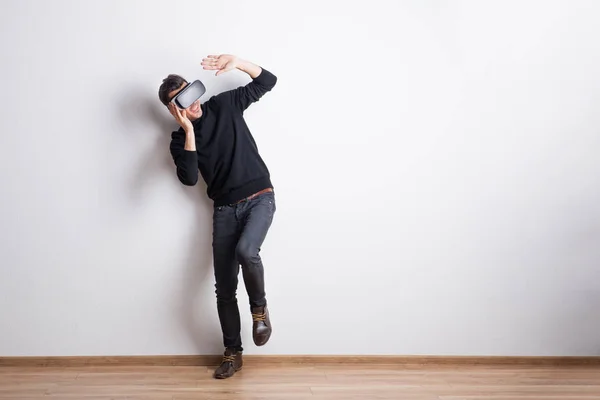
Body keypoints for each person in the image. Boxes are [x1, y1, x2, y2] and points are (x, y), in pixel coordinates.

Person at [158, 54, 277, 379]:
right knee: (224, 289)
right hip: (224, 209)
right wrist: (188, 130)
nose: (191, 102)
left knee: (246, 252)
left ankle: (259, 310)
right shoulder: (178, 140)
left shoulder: (224, 105)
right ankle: (232, 354)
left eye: (190, 92)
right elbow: (190, 178)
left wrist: (237, 62)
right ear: (174, 109)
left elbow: (268, 81)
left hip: (259, 198)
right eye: (181, 101)